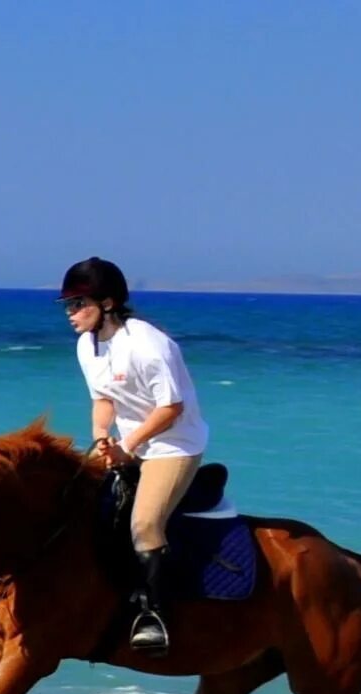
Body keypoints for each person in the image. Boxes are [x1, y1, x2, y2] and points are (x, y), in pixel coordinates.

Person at [60, 257, 209, 655]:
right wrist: (101, 437)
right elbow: (103, 398)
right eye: (67, 306)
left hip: (173, 446)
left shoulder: (148, 345)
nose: (71, 314)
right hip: (129, 444)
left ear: (107, 303)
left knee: (144, 522)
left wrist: (129, 446)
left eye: (78, 304)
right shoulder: (85, 346)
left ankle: (154, 616)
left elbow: (171, 408)